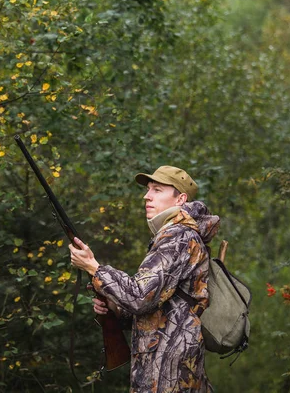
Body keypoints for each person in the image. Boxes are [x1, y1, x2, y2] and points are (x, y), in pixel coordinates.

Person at [69, 165, 219, 393]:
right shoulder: (173, 236)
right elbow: (156, 310)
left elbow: (140, 297)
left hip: (169, 373)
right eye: (148, 189)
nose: (146, 196)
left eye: (157, 190)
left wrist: (94, 267)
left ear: (180, 198)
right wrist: (115, 308)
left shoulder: (177, 237)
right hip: (167, 368)